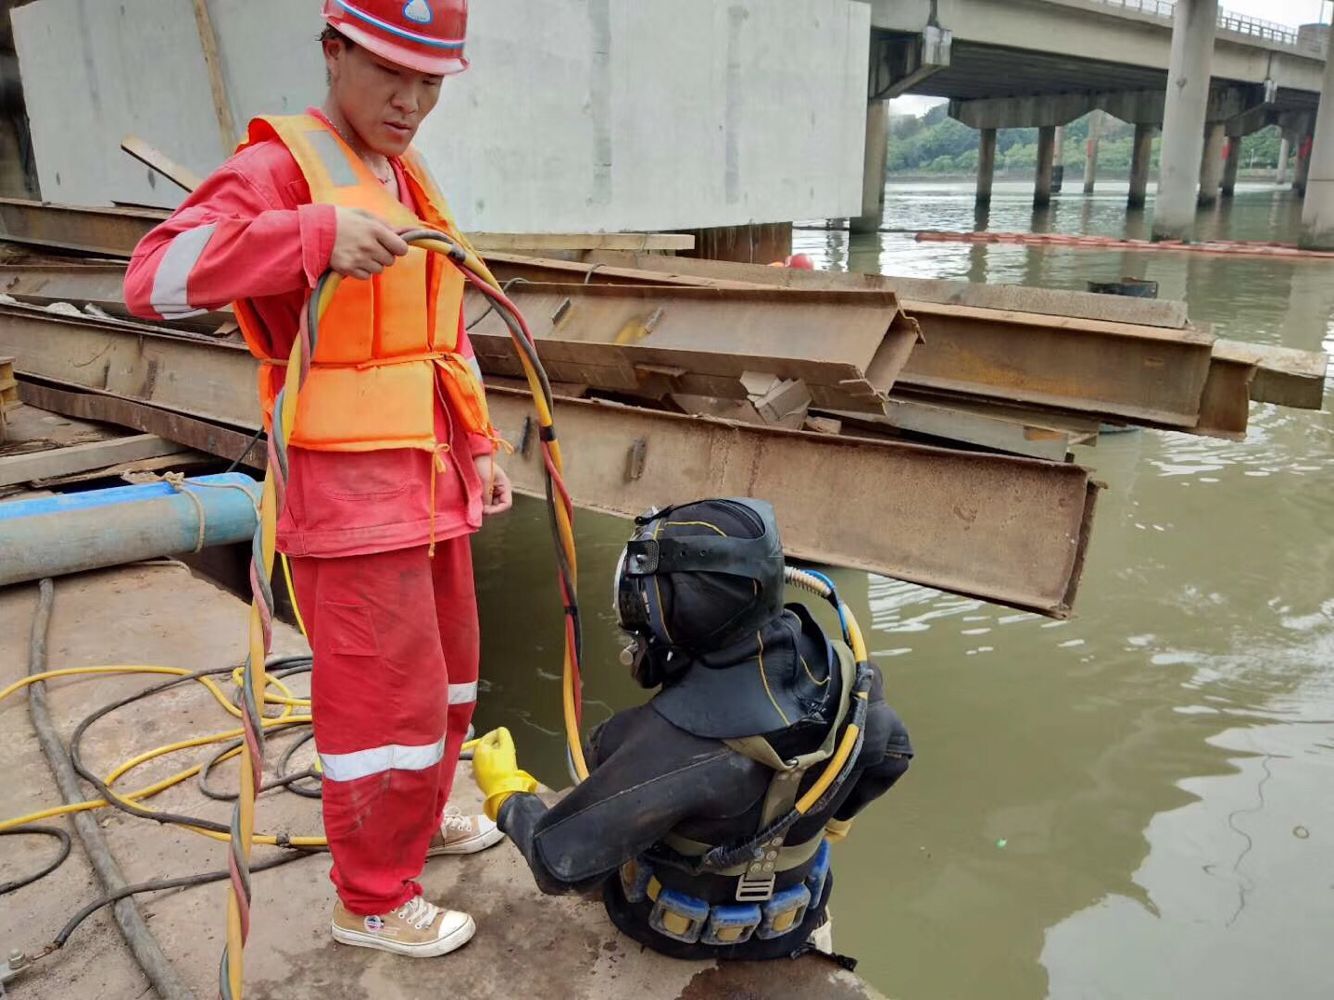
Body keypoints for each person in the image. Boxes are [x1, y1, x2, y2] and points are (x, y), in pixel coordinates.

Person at [125, 0, 511, 960]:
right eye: (390, 71)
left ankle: (417, 828)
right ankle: (373, 899)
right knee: (383, 702)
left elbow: (439, 326)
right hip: (347, 496)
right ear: (333, 51)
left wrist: (480, 444)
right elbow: (152, 277)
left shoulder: (405, 174)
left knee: (448, 678)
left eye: (431, 81)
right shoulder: (278, 171)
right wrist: (305, 234)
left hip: (430, 483)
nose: (412, 98)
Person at [472, 499, 913, 963]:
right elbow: (893, 755)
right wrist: (827, 816)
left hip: (675, 934)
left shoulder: (662, 742)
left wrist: (507, 793)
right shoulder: (848, 673)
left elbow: (559, 863)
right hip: (796, 920)